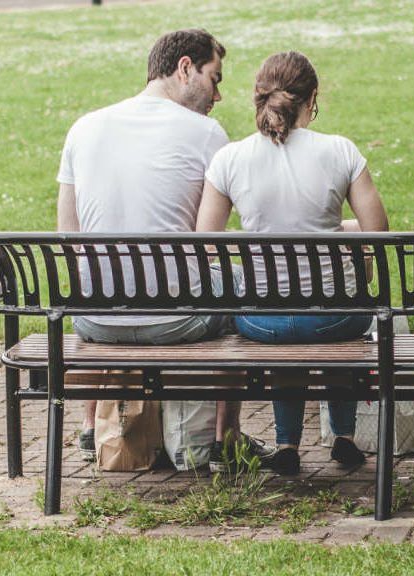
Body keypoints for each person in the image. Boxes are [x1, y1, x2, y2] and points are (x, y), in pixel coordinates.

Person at [56, 29, 264, 470]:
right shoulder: (206, 134)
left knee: (107, 281)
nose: (218, 95)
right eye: (215, 78)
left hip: (95, 321)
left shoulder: (84, 128)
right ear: (185, 68)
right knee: (243, 293)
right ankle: (225, 436)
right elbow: (212, 243)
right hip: (177, 321)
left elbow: (69, 238)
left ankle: (92, 425)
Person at [196, 51, 387, 476]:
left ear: (259, 98)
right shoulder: (340, 151)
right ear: (311, 98)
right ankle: (344, 436)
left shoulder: (230, 159)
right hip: (338, 318)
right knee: (339, 324)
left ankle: (286, 443)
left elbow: (206, 241)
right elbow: (378, 232)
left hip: (263, 320)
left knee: (284, 332)